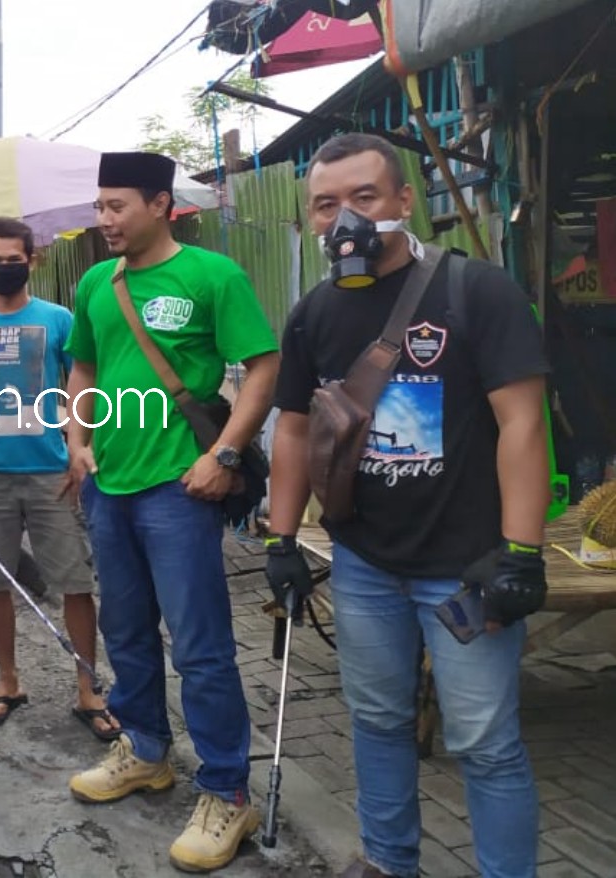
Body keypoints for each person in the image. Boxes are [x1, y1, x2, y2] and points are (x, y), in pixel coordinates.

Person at [263, 133, 548, 878]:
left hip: (465, 566)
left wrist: (522, 550)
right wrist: (281, 539)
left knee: (484, 743)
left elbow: (521, 422)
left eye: (363, 198)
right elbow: (292, 428)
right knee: (377, 720)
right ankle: (388, 863)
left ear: (401, 202)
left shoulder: (474, 291)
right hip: (363, 564)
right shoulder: (313, 313)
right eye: (325, 205)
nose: (344, 220)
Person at [64, 152, 280, 872]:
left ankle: (226, 791)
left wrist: (222, 454)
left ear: (160, 204)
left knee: (200, 646)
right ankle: (146, 750)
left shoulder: (212, 276)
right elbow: (85, 367)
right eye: (98, 206)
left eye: (116, 205)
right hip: (109, 486)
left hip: (178, 491)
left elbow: (263, 367)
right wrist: (76, 435)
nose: (104, 220)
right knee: (123, 630)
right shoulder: (98, 282)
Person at [0, 216, 115, 740]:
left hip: (52, 473)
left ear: (33, 259)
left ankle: (87, 687)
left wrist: (81, 448)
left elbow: (81, 389)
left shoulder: (59, 320)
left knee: (74, 583)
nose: (3, 268)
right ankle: (7, 682)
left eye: (13, 259)